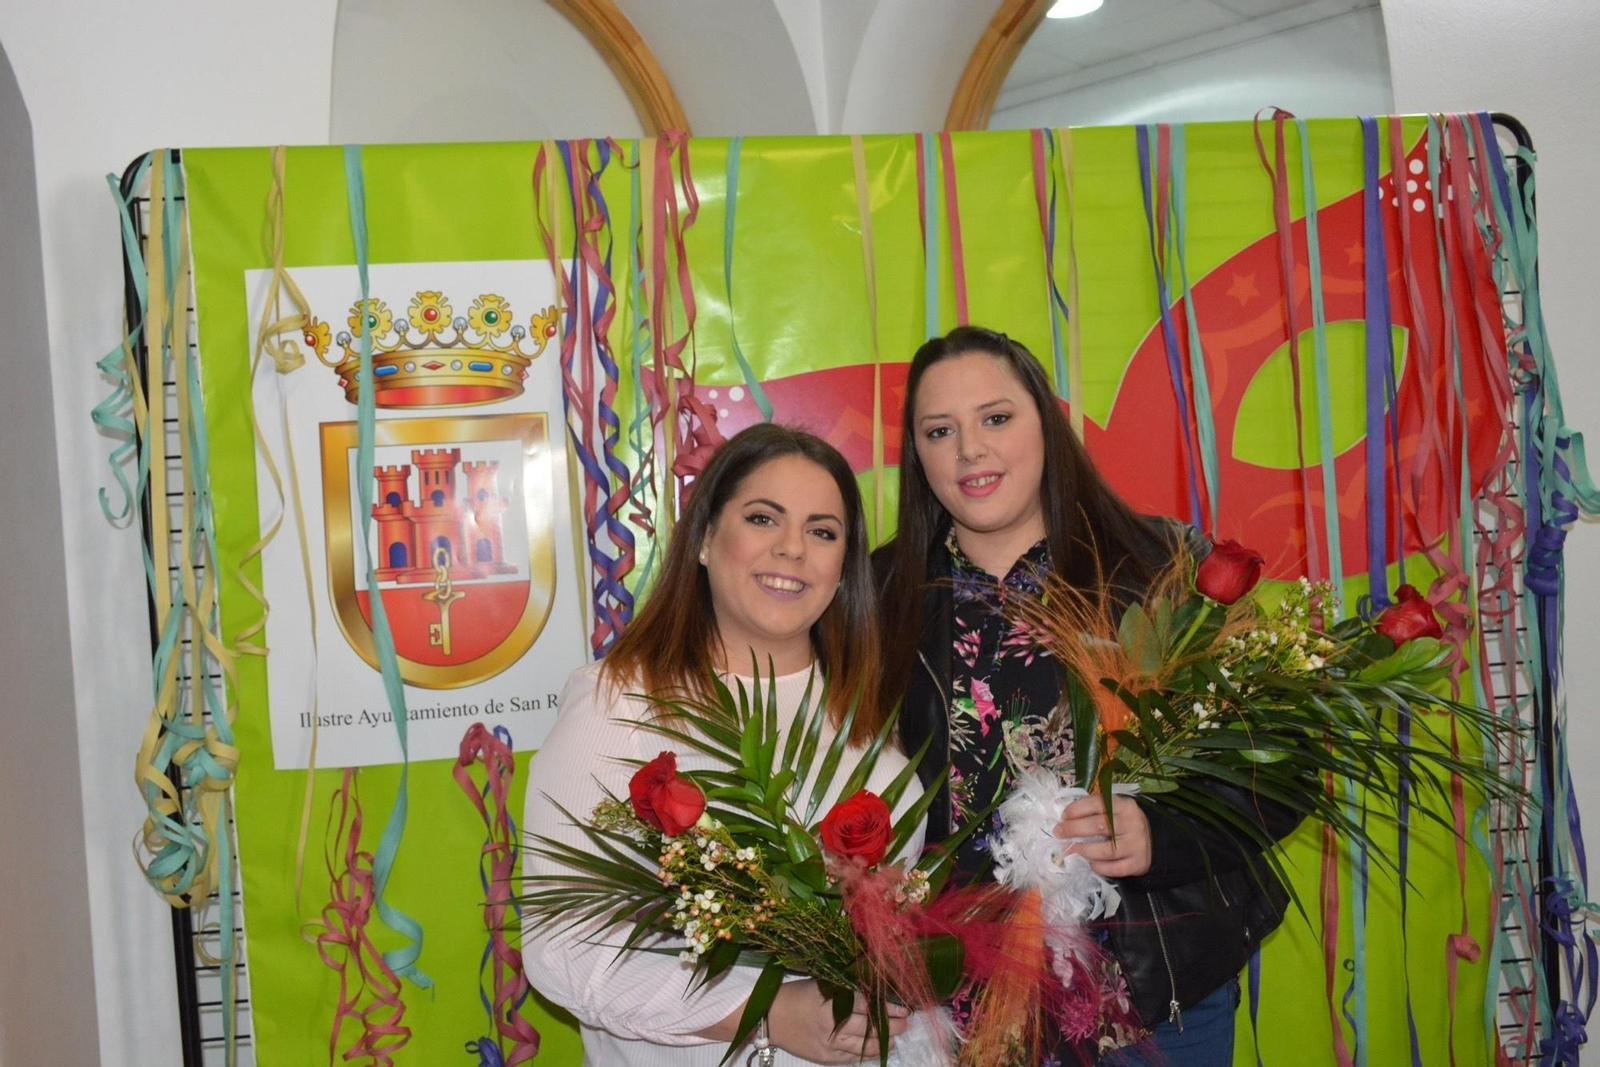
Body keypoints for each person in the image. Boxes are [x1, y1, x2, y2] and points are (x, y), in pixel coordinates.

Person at [873, 326, 1302, 1065]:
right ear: (918, 455)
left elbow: (1284, 761)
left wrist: (1156, 837)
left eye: (996, 418)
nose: (970, 449)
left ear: (1046, 421)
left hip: (1154, 998)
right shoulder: (877, 597)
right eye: (940, 430)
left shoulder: (1163, 566)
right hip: (959, 1004)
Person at [524, 423, 920, 1066]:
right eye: (764, 519)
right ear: (706, 537)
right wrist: (769, 1011)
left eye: (823, 532)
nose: (793, 549)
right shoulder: (618, 700)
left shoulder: (873, 714)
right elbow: (563, 946)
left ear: (844, 566)